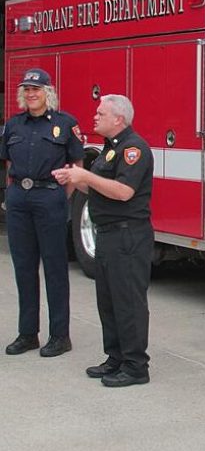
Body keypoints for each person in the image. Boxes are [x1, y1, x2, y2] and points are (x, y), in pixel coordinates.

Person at [53, 94, 154, 387]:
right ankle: (116, 357)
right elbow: (99, 188)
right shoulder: (110, 149)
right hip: (108, 235)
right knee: (108, 301)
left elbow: (123, 191)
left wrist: (86, 176)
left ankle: (136, 366)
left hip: (128, 236)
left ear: (119, 119)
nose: (95, 117)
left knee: (128, 301)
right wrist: (75, 178)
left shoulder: (134, 149)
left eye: (101, 114)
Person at [0, 68, 84, 357]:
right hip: (19, 199)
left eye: (36, 89)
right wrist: (15, 195)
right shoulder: (13, 125)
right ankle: (28, 334)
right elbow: (8, 163)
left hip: (49, 198)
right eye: (27, 89)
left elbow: (77, 166)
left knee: (55, 268)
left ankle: (60, 336)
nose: (31, 94)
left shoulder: (65, 123)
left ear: (48, 92)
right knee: (24, 268)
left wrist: (59, 198)